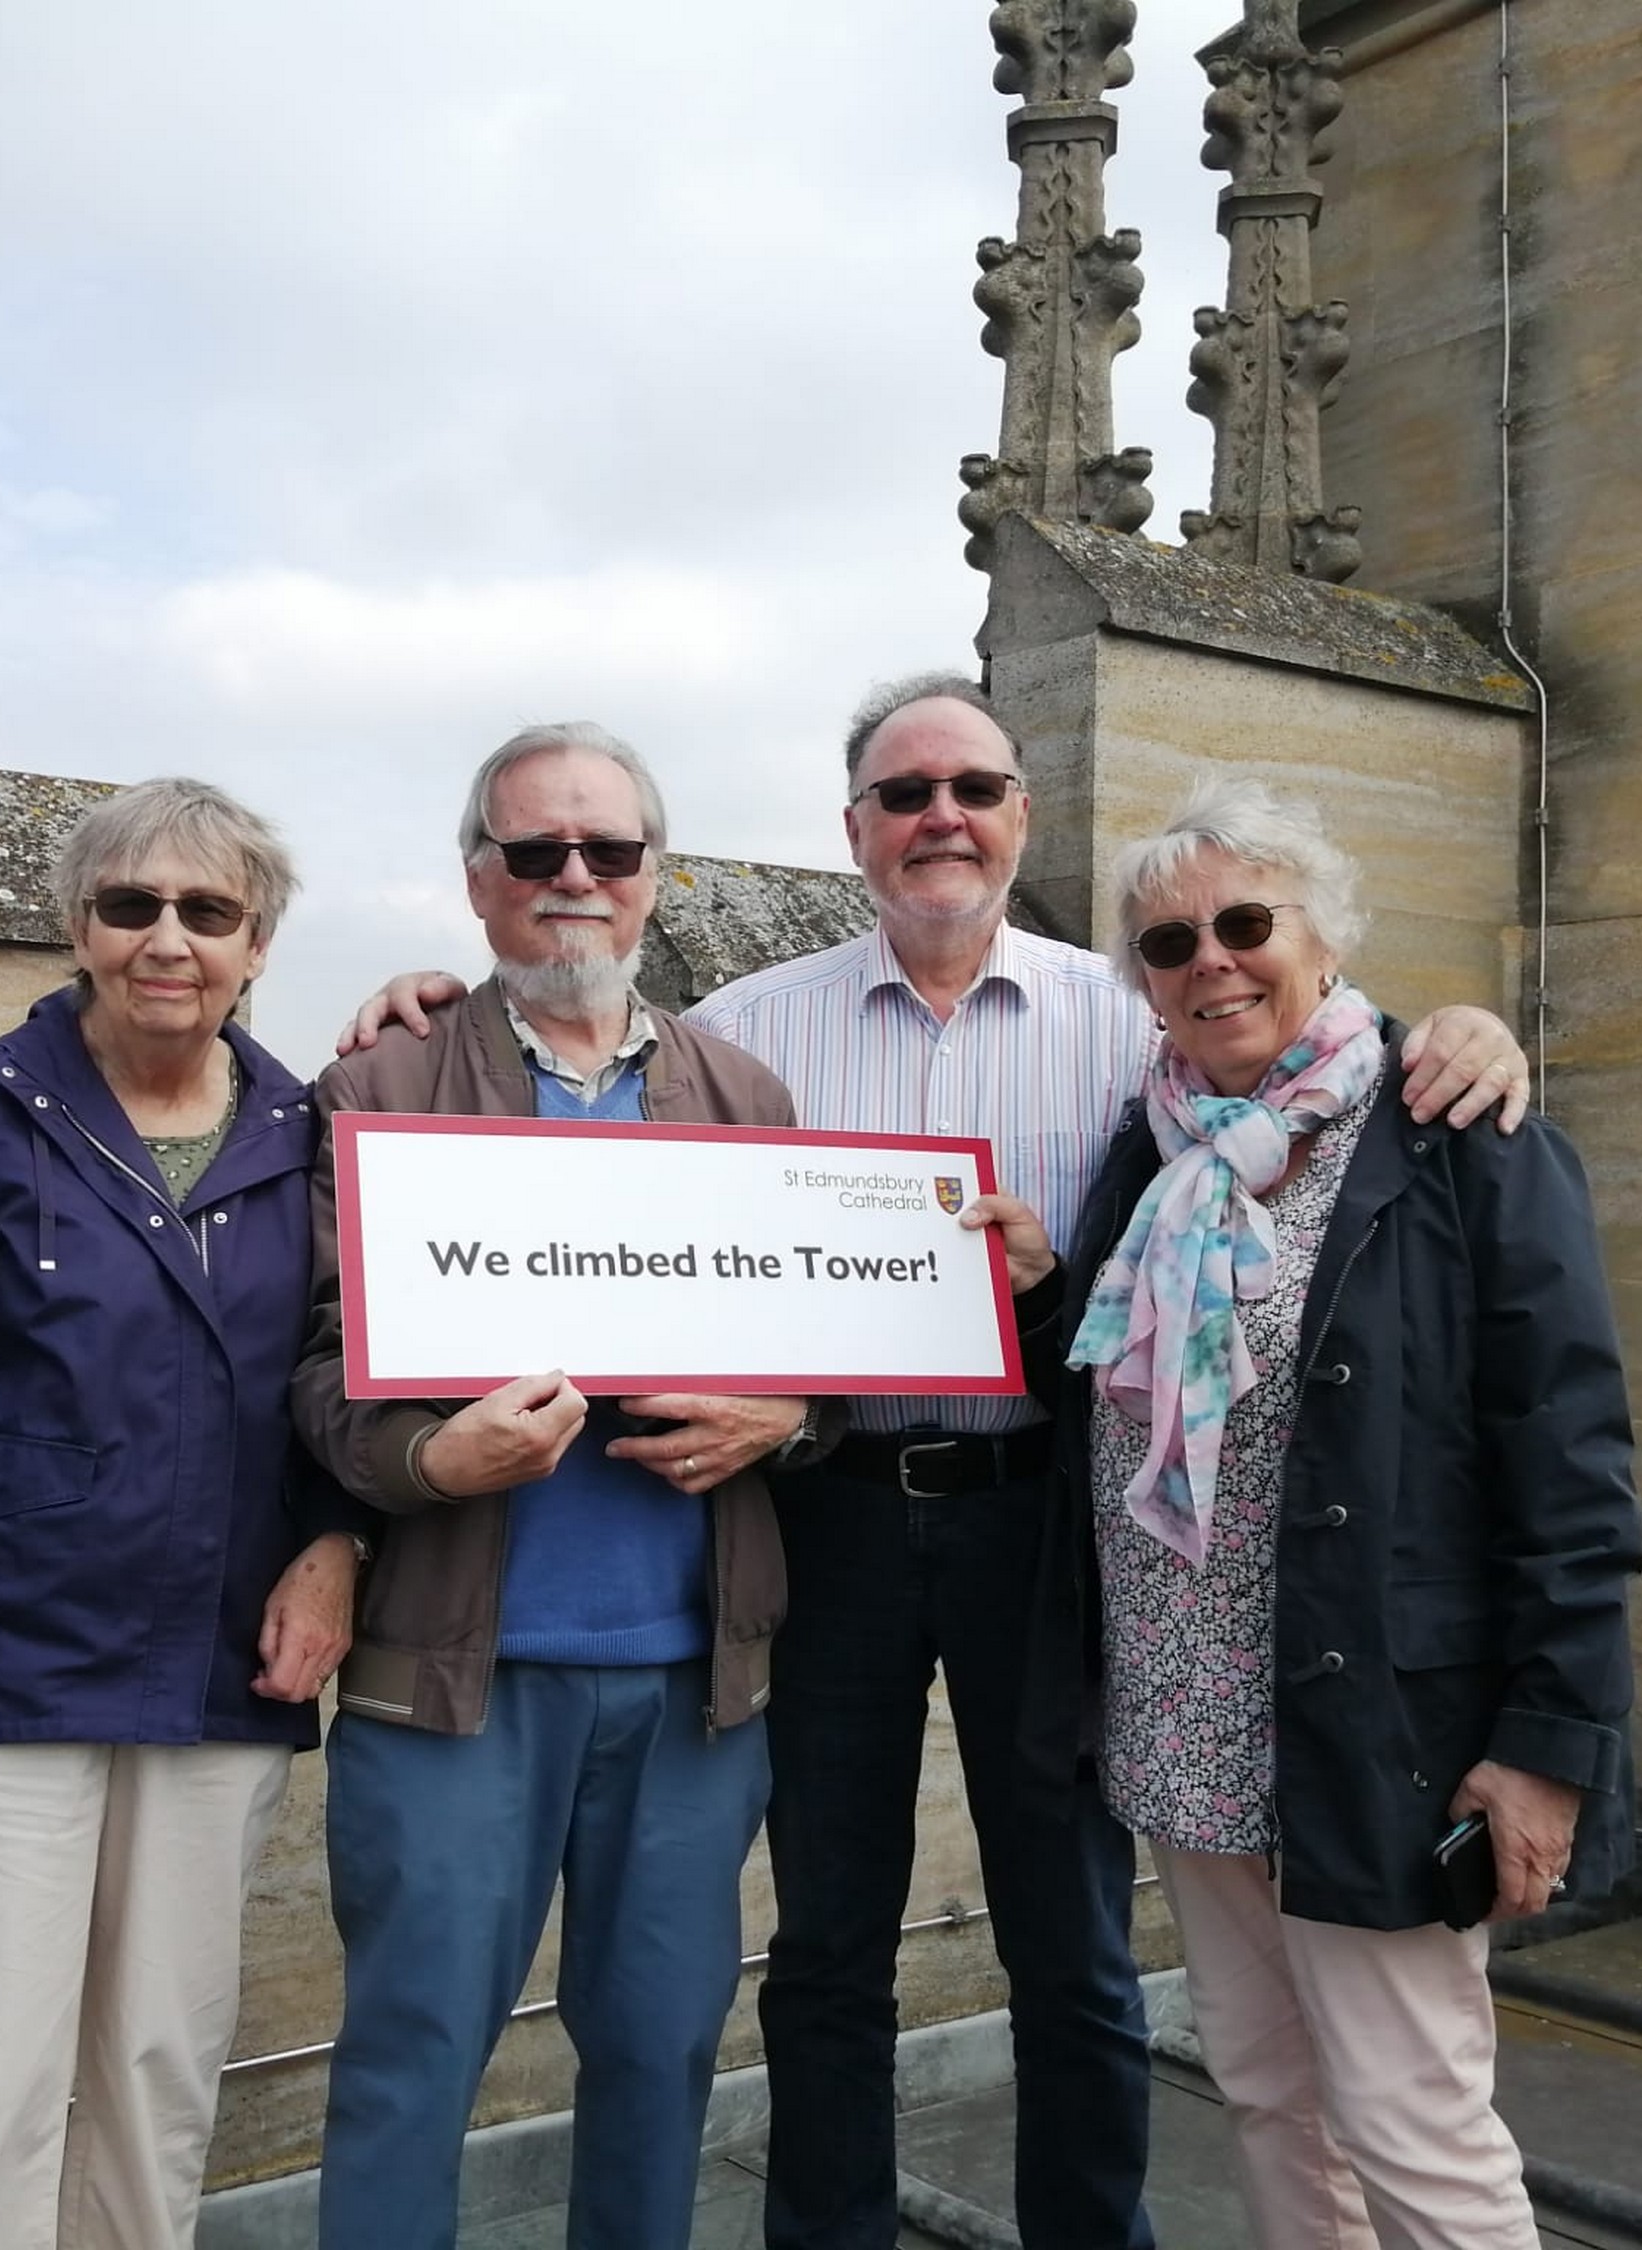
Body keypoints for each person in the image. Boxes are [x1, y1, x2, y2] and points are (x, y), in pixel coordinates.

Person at [343, 673, 1531, 2249]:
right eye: (904, 797)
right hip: (822, 1519)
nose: (941, 819)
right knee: (829, 1940)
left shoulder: (1140, 1020)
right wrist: (418, 996)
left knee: (1073, 1940)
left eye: (972, 787)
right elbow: (580, 1108)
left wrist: (1457, 1025)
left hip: (1046, 1527)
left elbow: (1307, 1064)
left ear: (1019, 813)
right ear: (856, 832)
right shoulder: (747, 1036)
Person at [1024, 777, 1642, 2250]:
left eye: (1247, 922)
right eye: (1170, 946)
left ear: (1326, 939)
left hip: (1376, 1728)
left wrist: (1550, 1741)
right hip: (1185, 1714)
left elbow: (1571, 1457)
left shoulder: (1456, 1129)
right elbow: (1121, 1391)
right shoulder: (1154, 1155)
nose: (1211, 961)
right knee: (1266, 2090)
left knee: (1411, 2116)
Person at [0, 777, 365, 2250]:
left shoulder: (310, 1128)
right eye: (132, 905)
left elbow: (328, 1378)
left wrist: (339, 1539)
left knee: (154, 2079)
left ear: (258, 942)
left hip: (209, 1683)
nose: (167, 937)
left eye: (209, 910)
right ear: (76, 926)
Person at [291, 722, 824, 2250]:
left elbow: (827, 1370)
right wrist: (425, 1457)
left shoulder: (746, 1096)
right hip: (456, 1676)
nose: (573, 878)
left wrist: (784, 1419)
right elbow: (312, 1372)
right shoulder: (379, 1087)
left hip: (693, 1685)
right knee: (413, 2058)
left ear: (659, 881)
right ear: (481, 883)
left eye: (607, 851)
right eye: (537, 853)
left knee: (661, 2057)